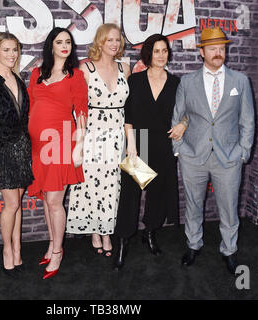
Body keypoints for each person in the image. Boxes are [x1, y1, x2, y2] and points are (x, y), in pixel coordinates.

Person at [171, 27, 255, 275]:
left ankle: (229, 250)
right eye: (212, 49)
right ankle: (193, 244)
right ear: (202, 53)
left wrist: (243, 152)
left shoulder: (241, 81)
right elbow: (178, 116)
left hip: (229, 157)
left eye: (221, 48)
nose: (218, 53)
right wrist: (179, 150)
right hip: (193, 156)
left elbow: (247, 120)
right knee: (193, 205)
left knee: (229, 208)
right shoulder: (187, 81)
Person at [112, 34, 188, 271]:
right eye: (156, 51)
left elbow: (188, 111)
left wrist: (183, 124)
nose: (161, 55)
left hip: (163, 145)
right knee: (130, 197)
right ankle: (123, 241)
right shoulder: (134, 81)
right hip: (139, 142)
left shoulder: (176, 83)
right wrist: (131, 144)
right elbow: (128, 116)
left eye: (164, 51)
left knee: (157, 195)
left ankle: (151, 233)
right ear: (148, 53)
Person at [27, 27, 88, 279]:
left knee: (54, 201)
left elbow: (82, 112)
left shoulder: (75, 76)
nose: (65, 45)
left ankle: (58, 251)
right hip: (38, 145)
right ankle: (52, 243)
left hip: (61, 141)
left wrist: (79, 145)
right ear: (50, 45)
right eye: (59, 41)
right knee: (46, 198)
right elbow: (30, 107)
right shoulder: (36, 73)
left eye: (68, 42)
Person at [66, 23, 130, 257]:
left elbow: (129, 108)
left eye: (117, 40)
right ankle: (96, 231)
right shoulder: (85, 68)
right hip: (93, 133)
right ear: (100, 42)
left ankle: (106, 231)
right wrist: (79, 141)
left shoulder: (125, 68)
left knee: (112, 187)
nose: (114, 44)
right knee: (91, 185)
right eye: (109, 40)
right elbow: (79, 107)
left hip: (117, 135)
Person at [0, 32, 34, 278]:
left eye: (15, 50)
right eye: (6, 50)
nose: (11, 55)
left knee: (17, 203)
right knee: (11, 204)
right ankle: (6, 252)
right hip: (1, 150)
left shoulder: (18, 78)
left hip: (22, 147)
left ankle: (18, 249)